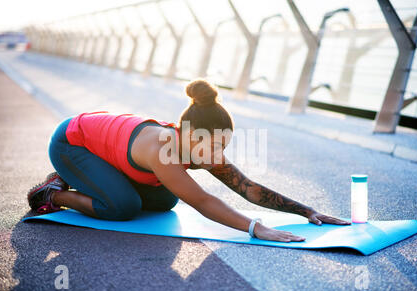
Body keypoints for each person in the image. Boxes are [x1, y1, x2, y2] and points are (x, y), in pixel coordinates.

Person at [27, 79, 349, 243]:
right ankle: (53, 191)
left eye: (221, 146)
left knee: (165, 200)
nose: (214, 156)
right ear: (186, 134)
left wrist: (307, 211)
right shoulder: (162, 150)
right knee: (122, 207)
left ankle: (94, 180)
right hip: (73, 143)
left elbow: (247, 188)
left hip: (108, 145)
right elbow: (203, 200)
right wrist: (255, 228)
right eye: (210, 147)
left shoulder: (199, 144)